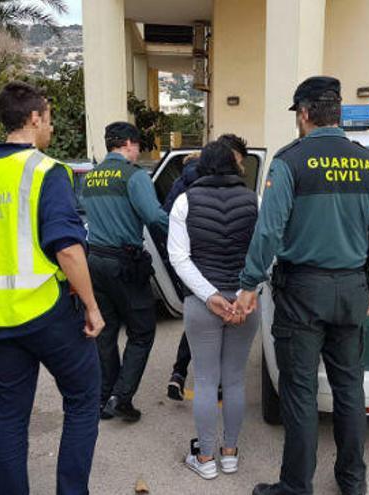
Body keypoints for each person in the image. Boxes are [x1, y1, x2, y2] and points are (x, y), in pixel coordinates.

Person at [0, 81, 104, 495]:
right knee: (84, 399)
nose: (50, 127)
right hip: (45, 313)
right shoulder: (46, 171)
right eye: (48, 118)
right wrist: (91, 306)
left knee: (11, 416)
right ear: (33, 118)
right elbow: (67, 250)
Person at [235, 76, 369, 495]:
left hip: (302, 294)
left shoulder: (291, 161)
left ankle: (295, 487)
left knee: (300, 392)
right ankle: (352, 482)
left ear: (304, 114)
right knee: (348, 389)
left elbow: (269, 229)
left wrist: (249, 281)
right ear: (337, 113)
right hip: (352, 292)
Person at [167, 139, 259, 480]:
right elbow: (266, 254)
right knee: (234, 381)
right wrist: (242, 294)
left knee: (206, 381)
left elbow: (179, 258)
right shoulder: (255, 200)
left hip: (202, 306)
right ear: (237, 167)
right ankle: (230, 454)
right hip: (245, 305)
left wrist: (210, 296)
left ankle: (205, 459)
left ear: (203, 166)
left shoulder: (183, 202)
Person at [80, 122, 169, 422]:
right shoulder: (134, 176)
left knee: (104, 331)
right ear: (129, 144)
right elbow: (155, 217)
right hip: (125, 264)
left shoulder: (90, 179)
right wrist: (185, 231)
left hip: (94, 261)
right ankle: (121, 396)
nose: (138, 151)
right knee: (142, 331)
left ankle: (106, 397)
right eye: (138, 145)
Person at [165, 135, 250, 401]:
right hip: (200, 265)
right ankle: (201, 378)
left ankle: (179, 374)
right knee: (206, 329)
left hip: (193, 264)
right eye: (238, 160)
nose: (241, 168)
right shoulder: (196, 181)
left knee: (199, 323)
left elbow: (166, 213)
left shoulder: (189, 178)